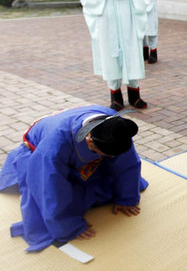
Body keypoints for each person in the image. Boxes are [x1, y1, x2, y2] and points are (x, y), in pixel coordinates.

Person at [0, 105, 148, 252]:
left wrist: (127, 198)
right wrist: (70, 226)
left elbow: (127, 162)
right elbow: (49, 187)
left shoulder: (113, 124)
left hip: (78, 150)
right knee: (59, 199)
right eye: (107, 155)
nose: (111, 158)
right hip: (40, 158)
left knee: (116, 178)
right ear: (89, 140)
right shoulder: (53, 146)